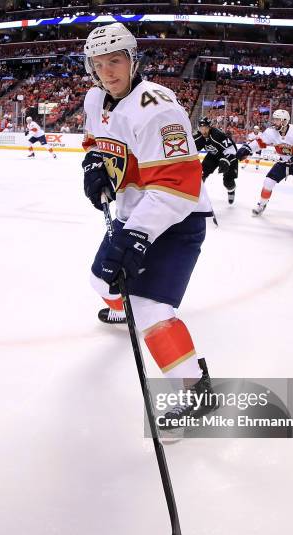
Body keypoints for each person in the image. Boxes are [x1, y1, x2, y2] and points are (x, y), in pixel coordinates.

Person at [82, 23, 217, 427]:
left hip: (176, 219)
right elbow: (95, 143)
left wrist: (136, 235)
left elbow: (179, 186)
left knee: (150, 309)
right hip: (133, 214)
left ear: (133, 59)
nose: (109, 72)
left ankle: (196, 392)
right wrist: (93, 166)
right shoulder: (95, 99)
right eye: (100, 64)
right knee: (100, 281)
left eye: (116, 60)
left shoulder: (159, 109)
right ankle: (127, 310)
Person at [237, 109, 293, 230]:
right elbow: (259, 143)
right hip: (284, 161)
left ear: (285, 121)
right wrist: (246, 149)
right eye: (274, 119)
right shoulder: (270, 132)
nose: (274, 122)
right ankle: (261, 205)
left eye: (277, 120)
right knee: (268, 182)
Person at [193, 117, 238, 205]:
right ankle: (196, 194)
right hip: (212, 156)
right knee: (200, 174)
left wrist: (226, 160)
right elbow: (192, 150)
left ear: (210, 127)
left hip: (226, 156)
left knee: (228, 182)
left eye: (205, 128)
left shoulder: (217, 135)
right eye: (201, 128)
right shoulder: (199, 137)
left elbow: (232, 150)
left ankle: (231, 190)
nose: (203, 131)